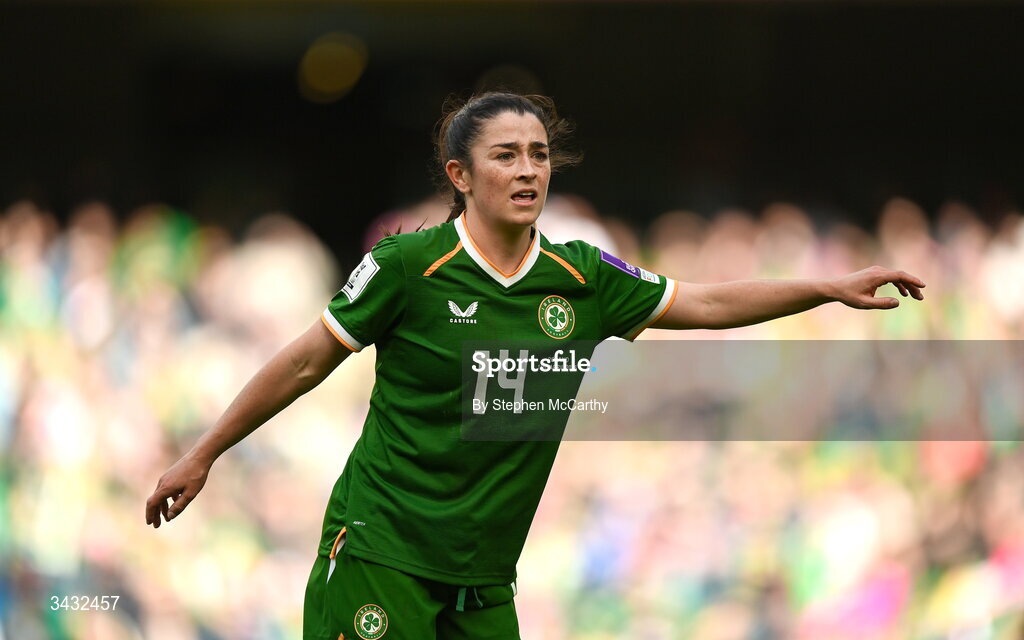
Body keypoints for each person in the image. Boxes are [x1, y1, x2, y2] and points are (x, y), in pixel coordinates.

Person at [145, 91, 926, 640]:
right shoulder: (409, 265)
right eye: (506, 156)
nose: (528, 171)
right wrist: (204, 452)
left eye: (540, 156)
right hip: (383, 554)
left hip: (485, 579)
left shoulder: (582, 277)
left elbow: (711, 304)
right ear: (460, 175)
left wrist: (825, 286)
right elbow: (307, 361)